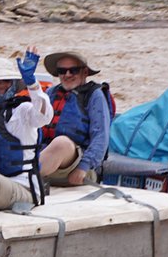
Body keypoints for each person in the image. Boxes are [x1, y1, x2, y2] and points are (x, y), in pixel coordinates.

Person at [0, 52, 54, 209]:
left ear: (14, 84)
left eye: (6, 81)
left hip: (24, 190)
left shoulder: (24, 110)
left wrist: (32, 82)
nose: (1, 85)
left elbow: (44, 116)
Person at [37, 50, 114, 187]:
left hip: (76, 168)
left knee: (61, 143)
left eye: (73, 70)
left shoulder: (94, 95)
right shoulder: (50, 93)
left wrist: (83, 167)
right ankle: (18, 175)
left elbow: (101, 136)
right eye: (62, 71)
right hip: (47, 160)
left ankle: (26, 177)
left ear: (84, 72)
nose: (67, 75)